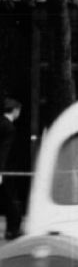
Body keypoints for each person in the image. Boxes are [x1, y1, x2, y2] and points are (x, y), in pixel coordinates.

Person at [0, 97, 21, 239]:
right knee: (11, 200)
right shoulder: (9, 128)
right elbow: (4, 150)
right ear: (15, 110)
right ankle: (12, 230)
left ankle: (12, 228)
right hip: (4, 170)